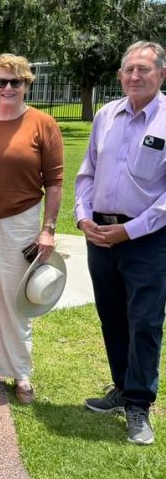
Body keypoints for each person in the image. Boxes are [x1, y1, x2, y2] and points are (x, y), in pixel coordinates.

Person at [75, 40, 166, 445]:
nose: (135, 76)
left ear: (161, 74)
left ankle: (139, 405)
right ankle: (122, 387)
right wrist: (83, 217)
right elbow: (87, 173)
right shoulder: (105, 116)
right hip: (100, 236)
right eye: (129, 69)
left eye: (144, 69)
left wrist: (130, 231)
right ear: (120, 75)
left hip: (147, 240)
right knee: (112, 316)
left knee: (144, 321)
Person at [0, 53, 63, 404]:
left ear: (26, 85)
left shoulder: (42, 124)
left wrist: (48, 229)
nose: (8, 88)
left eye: (15, 82)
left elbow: (55, 183)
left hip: (20, 219)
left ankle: (20, 371)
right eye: (1, 81)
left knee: (13, 296)